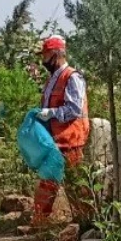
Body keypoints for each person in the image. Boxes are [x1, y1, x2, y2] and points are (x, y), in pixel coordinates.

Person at [33, 35, 91, 225]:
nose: (43, 60)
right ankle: (40, 224)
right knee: (47, 182)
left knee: (75, 185)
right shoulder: (52, 79)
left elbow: (74, 109)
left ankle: (85, 225)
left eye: (46, 55)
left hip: (71, 140)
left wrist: (50, 113)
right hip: (54, 140)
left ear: (57, 54)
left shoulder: (72, 77)